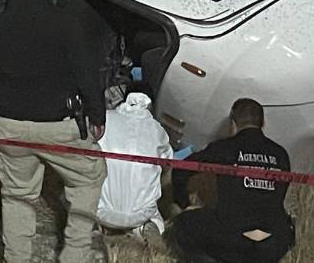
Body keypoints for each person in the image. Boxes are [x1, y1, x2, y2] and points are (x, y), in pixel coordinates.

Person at [0, 0, 107, 263]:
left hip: (10, 127)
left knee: (18, 195)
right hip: (59, 126)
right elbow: (88, 76)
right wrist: (97, 116)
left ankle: (17, 257)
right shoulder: (66, 23)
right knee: (87, 180)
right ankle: (74, 254)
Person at [170, 98, 295, 263]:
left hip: (233, 241)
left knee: (182, 225)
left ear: (233, 123)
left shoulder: (224, 148)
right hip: (274, 242)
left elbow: (181, 169)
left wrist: (183, 203)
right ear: (263, 123)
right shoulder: (280, 154)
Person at [95, 92, 172, 242]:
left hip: (100, 211)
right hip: (141, 215)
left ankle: (93, 229)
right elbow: (168, 163)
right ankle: (149, 230)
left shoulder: (104, 120)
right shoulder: (156, 130)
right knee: (161, 173)